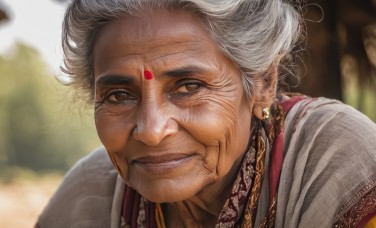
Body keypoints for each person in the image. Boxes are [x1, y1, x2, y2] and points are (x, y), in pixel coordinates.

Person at [36, 0, 376, 227]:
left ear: (263, 85)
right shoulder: (88, 200)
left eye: (188, 87)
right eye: (119, 95)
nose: (152, 131)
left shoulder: (338, 164)